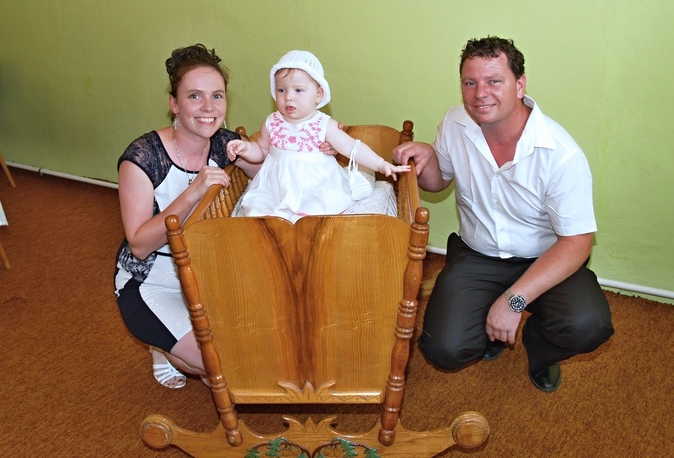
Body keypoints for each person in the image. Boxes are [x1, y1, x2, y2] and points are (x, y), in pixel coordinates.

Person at [393, 36, 614, 392]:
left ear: (520, 85)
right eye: (470, 82)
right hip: (477, 254)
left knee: (588, 325)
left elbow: (577, 243)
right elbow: (438, 182)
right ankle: (488, 329)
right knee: (444, 349)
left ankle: (540, 345)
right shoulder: (454, 123)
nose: (480, 93)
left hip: (544, 258)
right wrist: (427, 157)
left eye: (494, 81)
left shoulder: (561, 154)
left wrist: (513, 301)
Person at [114, 43, 261, 388]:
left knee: (257, 352)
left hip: (208, 275)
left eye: (217, 96)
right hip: (152, 282)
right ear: (174, 104)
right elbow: (139, 245)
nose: (209, 108)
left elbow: (270, 176)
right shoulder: (142, 157)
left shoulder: (226, 143)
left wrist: (313, 141)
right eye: (195, 96)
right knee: (223, 369)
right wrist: (192, 192)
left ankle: (177, 346)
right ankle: (163, 347)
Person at [227, 50, 410, 223]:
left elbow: (351, 147)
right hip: (276, 189)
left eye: (298, 90)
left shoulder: (324, 124)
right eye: (282, 90)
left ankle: (305, 224)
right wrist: (246, 148)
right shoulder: (271, 122)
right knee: (260, 210)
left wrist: (381, 164)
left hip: (315, 188)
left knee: (316, 214)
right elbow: (261, 150)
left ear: (318, 94)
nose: (288, 97)